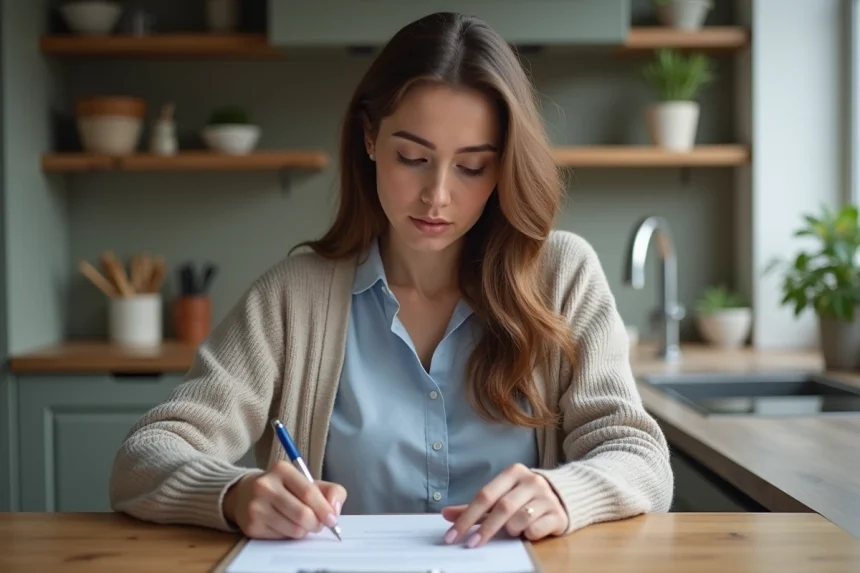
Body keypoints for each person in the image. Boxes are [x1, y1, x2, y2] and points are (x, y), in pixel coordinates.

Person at [109, 11, 673, 548]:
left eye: (472, 166)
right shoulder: (291, 298)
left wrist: (561, 492)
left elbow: (640, 456)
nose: (438, 195)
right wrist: (233, 494)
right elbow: (144, 457)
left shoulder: (562, 276)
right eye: (412, 157)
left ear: (502, 167)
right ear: (371, 140)